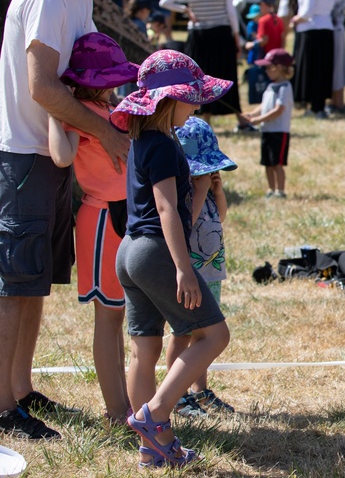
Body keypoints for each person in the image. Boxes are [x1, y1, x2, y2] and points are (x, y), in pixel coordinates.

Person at [0, 0, 138, 441]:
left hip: (51, 158)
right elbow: (42, 86)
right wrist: (105, 133)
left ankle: (20, 390)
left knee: (34, 282)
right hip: (26, 156)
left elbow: (83, 77)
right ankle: (3, 410)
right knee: (14, 283)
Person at [110, 50, 231, 468]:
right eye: (192, 97)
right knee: (214, 336)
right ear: (169, 100)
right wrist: (184, 268)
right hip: (156, 252)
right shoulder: (162, 144)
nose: (198, 105)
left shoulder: (141, 140)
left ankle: (153, 448)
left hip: (129, 252)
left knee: (144, 349)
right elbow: (165, 210)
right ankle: (155, 414)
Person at [47, 32, 139, 428]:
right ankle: (117, 410)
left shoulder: (110, 110)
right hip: (101, 219)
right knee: (109, 318)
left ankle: (124, 404)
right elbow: (63, 157)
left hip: (126, 216)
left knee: (119, 315)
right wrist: (56, 113)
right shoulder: (78, 114)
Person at [166, 117, 237, 418]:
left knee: (204, 337)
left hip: (210, 273)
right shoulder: (183, 194)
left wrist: (216, 191)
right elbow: (186, 223)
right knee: (182, 333)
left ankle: (200, 391)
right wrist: (199, 188)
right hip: (189, 276)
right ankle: (177, 394)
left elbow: (218, 217)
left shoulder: (205, 192)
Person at [159, 0, 242, 122]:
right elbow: (231, 12)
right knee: (226, 73)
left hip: (199, 35)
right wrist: (236, 35)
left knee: (200, 74)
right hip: (221, 34)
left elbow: (164, 2)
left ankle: (205, 116)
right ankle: (238, 115)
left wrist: (185, 9)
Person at [241, 49, 295, 198]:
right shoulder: (271, 86)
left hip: (279, 131)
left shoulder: (285, 87)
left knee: (277, 163)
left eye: (268, 66)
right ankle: (271, 190)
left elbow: (279, 110)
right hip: (267, 131)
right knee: (267, 163)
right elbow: (264, 105)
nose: (265, 70)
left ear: (278, 67)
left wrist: (259, 120)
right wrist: (252, 114)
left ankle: (281, 191)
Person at [292, 0, 337, 118]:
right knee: (323, 70)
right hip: (326, 30)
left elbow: (306, 13)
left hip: (310, 31)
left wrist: (294, 19)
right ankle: (320, 105)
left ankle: (313, 106)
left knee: (310, 70)